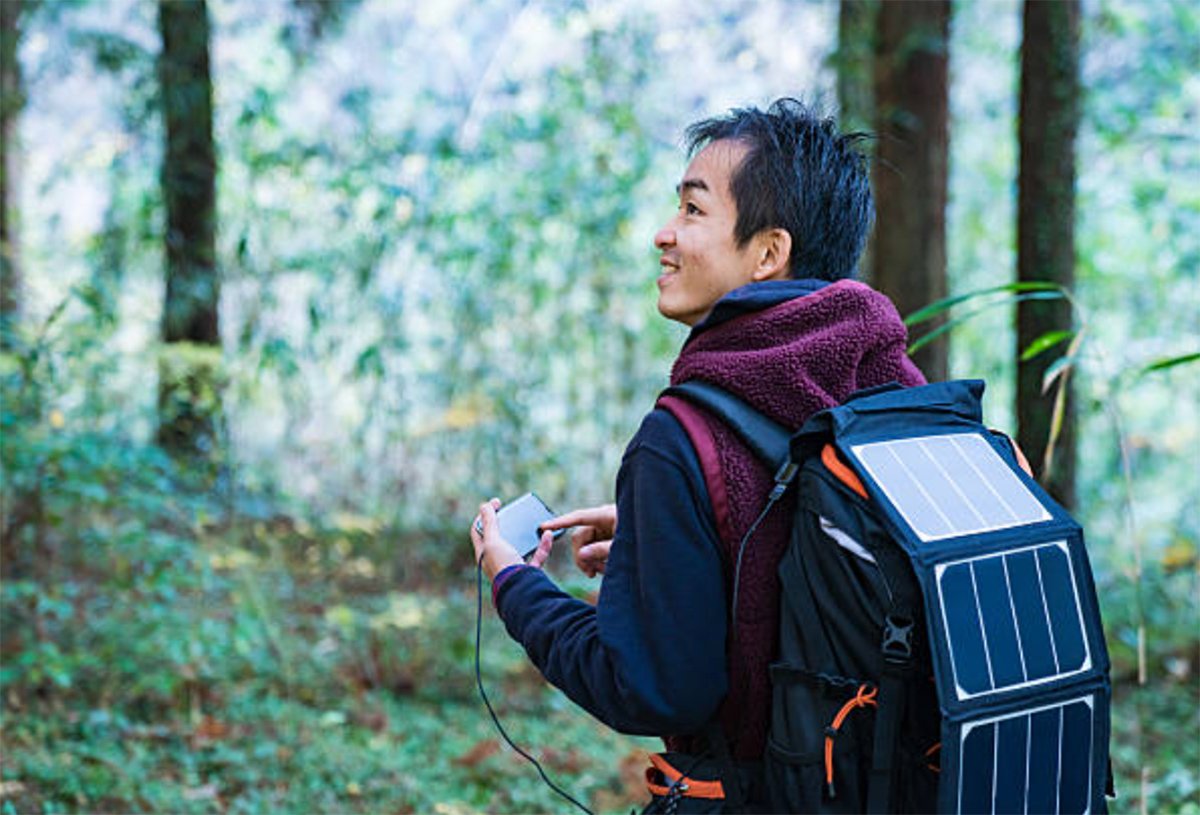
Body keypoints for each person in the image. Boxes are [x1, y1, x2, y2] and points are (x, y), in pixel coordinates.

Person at [469, 98, 925, 809]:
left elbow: (652, 687)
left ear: (768, 252)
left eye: (691, 209)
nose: (664, 234)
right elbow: (808, 557)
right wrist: (661, 534)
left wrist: (514, 585)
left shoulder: (680, 438)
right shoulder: (896, 393)